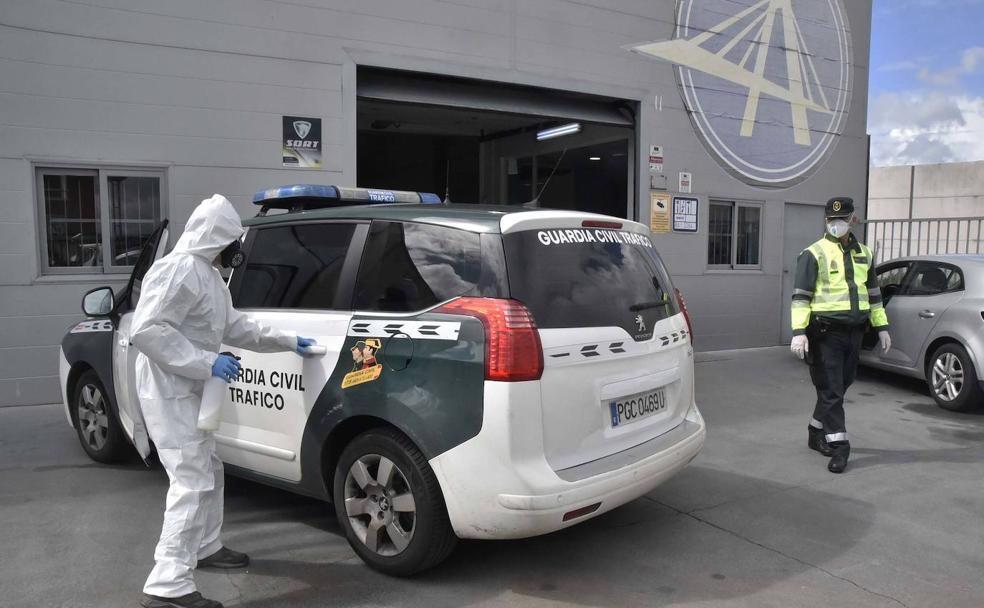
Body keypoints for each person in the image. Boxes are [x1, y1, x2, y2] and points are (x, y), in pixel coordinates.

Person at [130, 194, 319, 608]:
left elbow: (236, 327)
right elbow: (147, 331)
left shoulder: (209, 277)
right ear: (215, 236)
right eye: (232, 239)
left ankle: (207, 546)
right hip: (168, 389)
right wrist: (206, 361)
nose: (237, 249)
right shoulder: (178, 270)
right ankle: (168, 583)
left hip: (192, 388)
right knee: (191, 479)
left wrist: (288, 341)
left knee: (209, 468)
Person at [790, 197, 891, 474]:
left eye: (842, 219)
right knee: (832, 390)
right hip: (826, 333)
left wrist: (881, 327)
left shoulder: (865, 254)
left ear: (853, 220)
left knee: (841, 386)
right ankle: (840, 446)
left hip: (855, 332)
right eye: (832, 220)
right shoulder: (813, 253)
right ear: (825, 221)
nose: (837, 224)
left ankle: (815, 430)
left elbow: (873, 295)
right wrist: (799, 332)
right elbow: (801, 297)